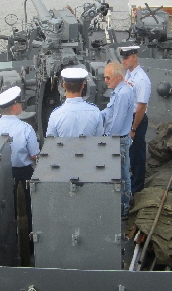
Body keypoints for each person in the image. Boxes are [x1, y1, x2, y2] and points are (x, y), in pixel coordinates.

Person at [0, 86, 40, 229]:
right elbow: (34, 155)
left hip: (0, 172)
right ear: (15, 107)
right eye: (20, 103)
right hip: (23, 172)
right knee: (29, 207)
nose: (22, 105)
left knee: (4, 206)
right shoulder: (26, 128)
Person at [100, 62, 136, 219]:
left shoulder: (122, 94)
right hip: (119, 139)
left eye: (108, 77)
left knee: (122, 175)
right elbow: (109, 111)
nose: (105, 80)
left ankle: (124, 209)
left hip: (118, 141)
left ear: (119, 77)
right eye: (104, 77)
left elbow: (117, 122)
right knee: (122, 172)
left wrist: (106, 139)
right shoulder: (119, 91)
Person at [120, 46, 151, 194]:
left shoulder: (141, 79)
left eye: (126, 57)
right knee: (129, 152)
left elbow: (141, 107)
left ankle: (137, 187)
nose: (123, 60)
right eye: (123, 57)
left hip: (136, 119)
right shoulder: (129, 74)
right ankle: (130, 182)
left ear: (134, 57)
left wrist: (133, 128)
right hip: (128, 117)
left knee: (137, 153)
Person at [46, 67, 104, 138]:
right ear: (83, 86)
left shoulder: (55, 115)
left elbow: (51, 144)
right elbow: (99, 141)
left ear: (64, 86)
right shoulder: (95, 112)